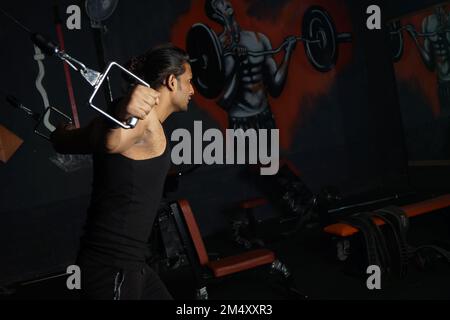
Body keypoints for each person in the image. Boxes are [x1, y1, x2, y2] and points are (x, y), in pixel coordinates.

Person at [50, 44, 194, 300]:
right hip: (111, 268)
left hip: (132, 264)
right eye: (189, 81)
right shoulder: (141, 118)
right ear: (172, 82)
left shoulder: (120, 116)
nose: (193, 90)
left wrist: (62, 134)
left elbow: (67, 141)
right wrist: (128, 109)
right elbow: (111, 141)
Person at [205, 0, 297, 130]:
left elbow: (275, 88)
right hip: (240, 122)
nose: (225, 2)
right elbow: (224, 102)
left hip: (266, 117)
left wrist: (288, 53)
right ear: (215, 13)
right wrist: (237, 65)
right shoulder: (217, 51)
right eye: (218, 2)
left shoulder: (260, 39)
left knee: (272, 151)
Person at [406, 5, 450, 114]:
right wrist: (414, 37)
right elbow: (430, 64)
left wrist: (444, 33)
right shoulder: (427, 22)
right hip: (442, 85)